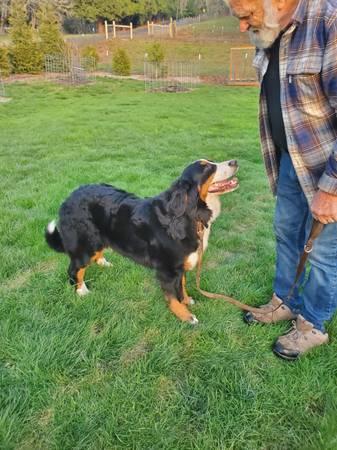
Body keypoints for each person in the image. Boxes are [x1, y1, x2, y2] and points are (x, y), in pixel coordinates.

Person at [226, 0, 337, 360]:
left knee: (322, 253)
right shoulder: (271, 30)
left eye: (247, 16)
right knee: (286, 232)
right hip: (292, 159)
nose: (243, 27)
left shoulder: (329, 22)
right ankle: (284, 301)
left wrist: (332, 189)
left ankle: (313, 325)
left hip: (329, 170)